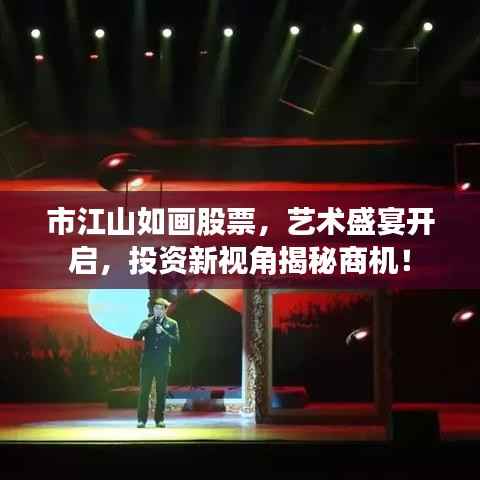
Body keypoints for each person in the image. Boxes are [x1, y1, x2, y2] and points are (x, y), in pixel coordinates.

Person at [133, 297, 180, 428]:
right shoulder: (146, 322)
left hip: (163, 362)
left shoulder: (172, 323)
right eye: (155, 308)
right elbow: (136, 337)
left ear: (165, 310)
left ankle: (159, 419)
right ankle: (141, 420)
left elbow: (176, 341)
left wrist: (163, 332)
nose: (157, 311)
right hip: (147, 362)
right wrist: (142, 330)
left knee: (161, 391)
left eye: (160, 309)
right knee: (144, 391)